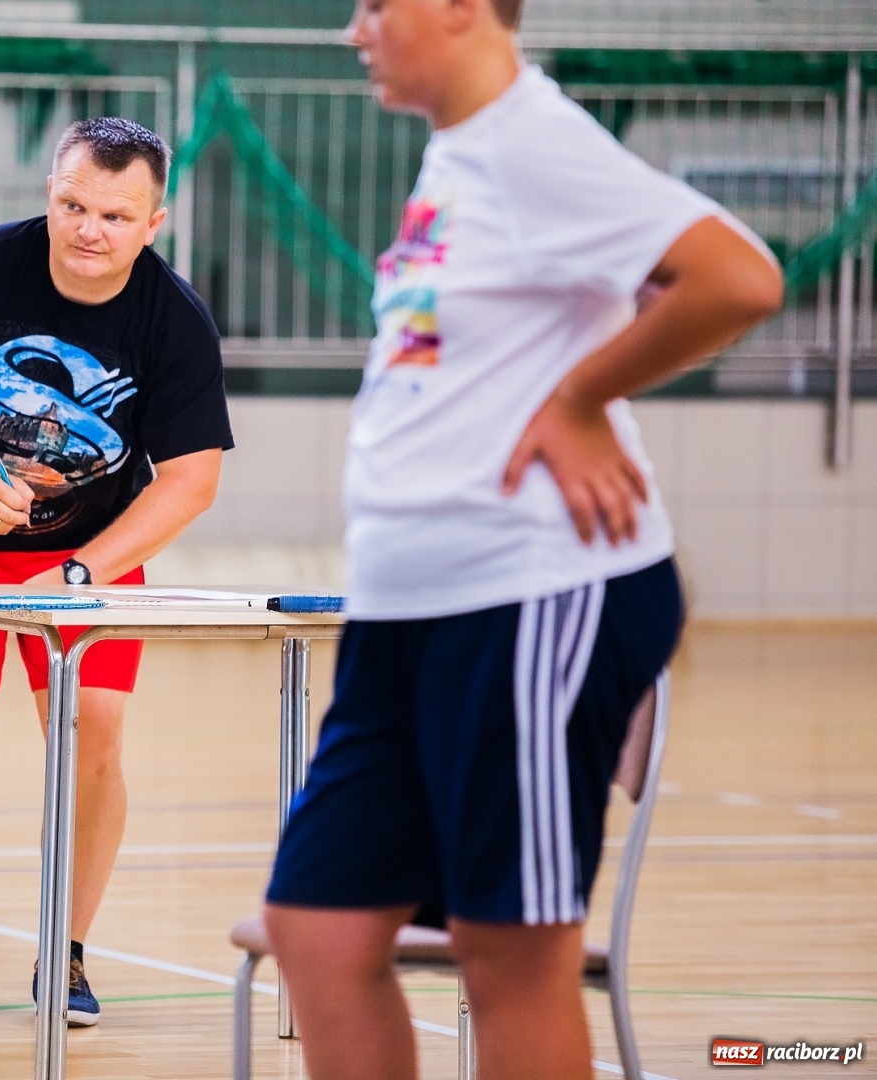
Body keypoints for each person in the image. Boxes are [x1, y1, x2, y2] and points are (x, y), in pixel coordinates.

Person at [261, 1, 782, 1078]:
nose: (354, 29)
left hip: (530, 594)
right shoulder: (462, 154)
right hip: (411, 609)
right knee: (317, 928)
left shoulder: (532, 142)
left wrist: (582, 398)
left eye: (374, 5)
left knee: (509, 955)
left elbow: (740, 277)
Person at [0, 117, 232, 1027]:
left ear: (155, 221)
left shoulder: (173, 318)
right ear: (50, 194)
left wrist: (77, 571)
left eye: (114, 212)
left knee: (93, 732)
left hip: (89, 556)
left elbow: (190, 482)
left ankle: (64, 949)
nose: (88, 228)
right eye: (72, 204)